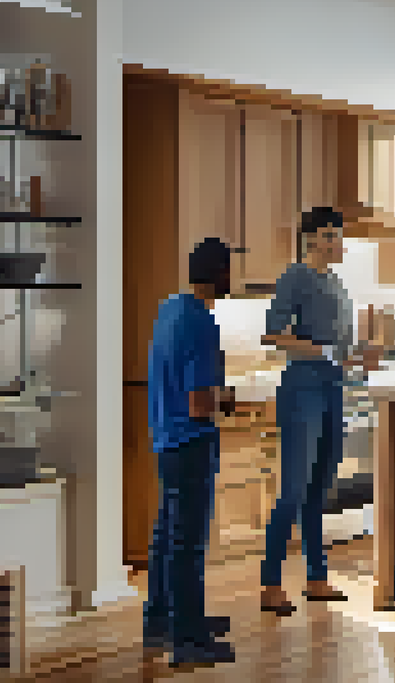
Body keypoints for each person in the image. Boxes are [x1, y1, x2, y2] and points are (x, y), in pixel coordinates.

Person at [260, 206, 381, 614]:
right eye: (330, 235)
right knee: (294, 489)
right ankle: (270, 583)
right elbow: (273, 334)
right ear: (311, 239)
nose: (337, 243)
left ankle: (316, 578)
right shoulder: (296, 277)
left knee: (319, 491)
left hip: (333, 390)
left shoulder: (337, 285)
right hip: (302, 390)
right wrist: (324, 351)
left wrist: (362, 356)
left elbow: (341, 352)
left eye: (339, 235)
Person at [143, 238, 237, 665]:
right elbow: (200, 403)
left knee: (167, 536)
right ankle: (189, 641)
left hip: (165, 438)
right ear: (220, 274)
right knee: (188, 544)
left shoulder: (169, 310)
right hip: (191, 440)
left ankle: (162, 622)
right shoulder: (202, 322)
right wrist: (226, 399)